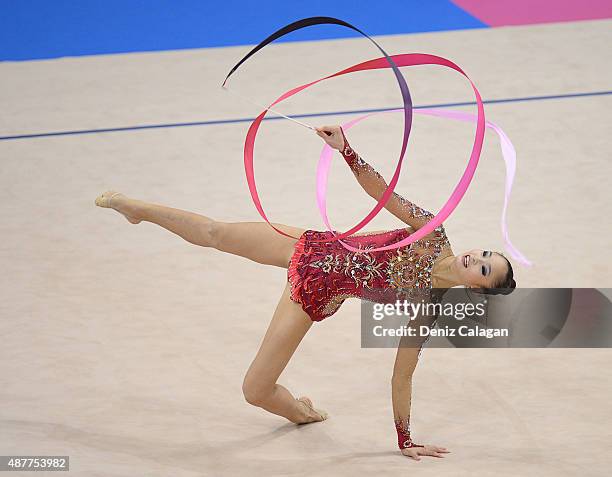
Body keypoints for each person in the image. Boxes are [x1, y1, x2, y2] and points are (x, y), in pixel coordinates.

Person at [94, 124, 515, 460]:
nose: (476, 257)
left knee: (255, 391)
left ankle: (300, 412)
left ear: (478, 288)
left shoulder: (426, 306)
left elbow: (402, 373)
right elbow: (380, 191)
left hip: (313, 294)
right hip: (312, 245)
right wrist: (345, 149)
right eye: (486, 254)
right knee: (215, 232)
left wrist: (404, 439)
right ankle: (139, 210)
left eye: (484, 268)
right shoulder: (431, 232)